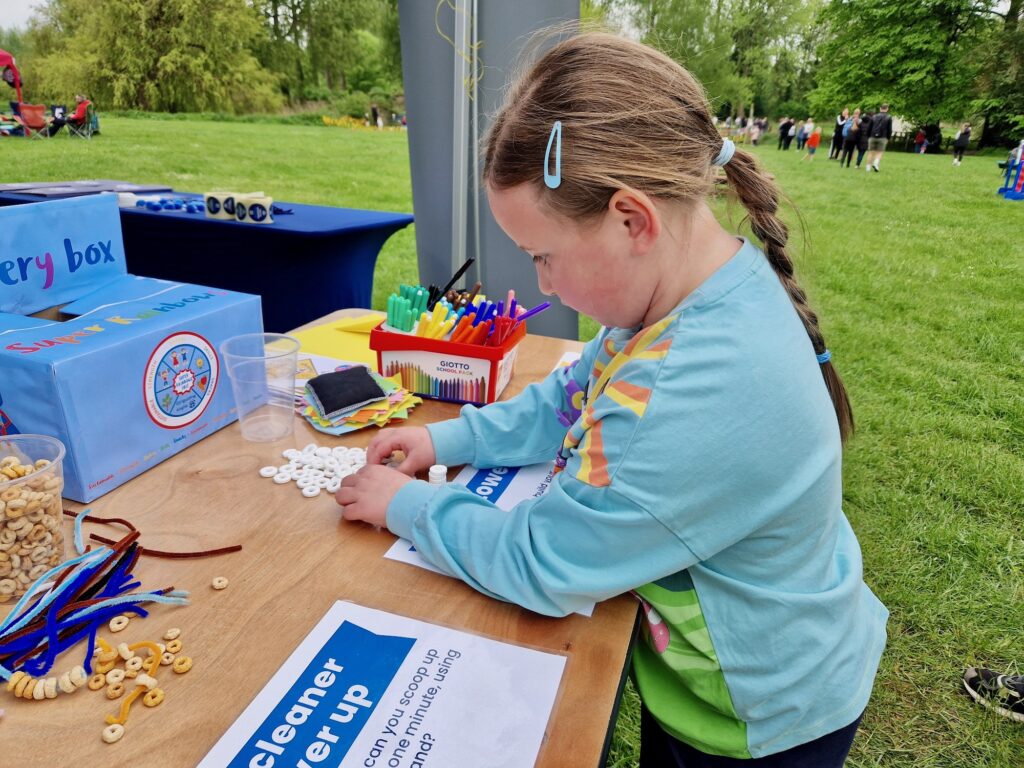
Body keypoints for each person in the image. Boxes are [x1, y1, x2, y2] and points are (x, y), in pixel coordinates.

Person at [335, 31, 887, 767]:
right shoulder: (689, 294)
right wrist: (449, 441)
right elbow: (569, 396)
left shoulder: (681, 392)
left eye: (543, 256)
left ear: (632, 220)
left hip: (754, 713)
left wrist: (402, 505)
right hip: (735, 667)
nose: (542, 286)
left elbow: (543, 562)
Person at [864, 103, 892, 172]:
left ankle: (868, 168)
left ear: (880, 108)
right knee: (879, 152)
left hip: (872, 136)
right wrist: (888, 138)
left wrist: (868, 136)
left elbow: (869, 128)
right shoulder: (889, 117)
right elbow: (889, 129)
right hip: (883, 137)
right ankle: (876, 163)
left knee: (870, 152)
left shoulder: (874, 117)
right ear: (887, 109)